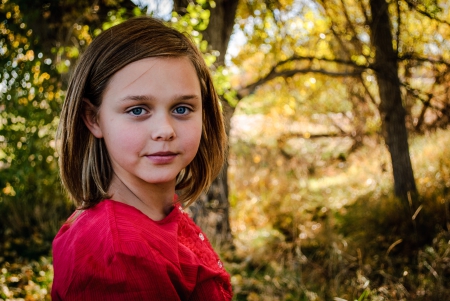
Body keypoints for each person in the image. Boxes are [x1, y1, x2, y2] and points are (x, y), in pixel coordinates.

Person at [51, 16, 232, 301]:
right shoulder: (117, 253)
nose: (165, 131)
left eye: (182, 109)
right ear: (93, 119)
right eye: (137, 110)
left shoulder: (160, 213)